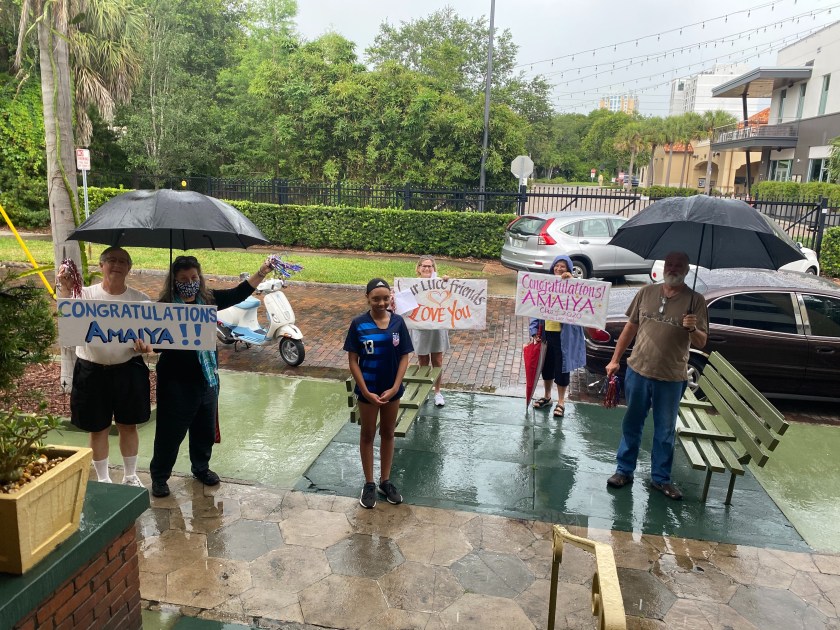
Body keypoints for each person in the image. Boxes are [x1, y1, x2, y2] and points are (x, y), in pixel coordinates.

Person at [149, 254, 272, 498]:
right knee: (170, 433)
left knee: (204, 429)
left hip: (206, 378)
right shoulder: (164, 306)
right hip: (175, 382)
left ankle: (201, 467)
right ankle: (160, 477)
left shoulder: (207, 299)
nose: (190, 282)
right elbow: (157, 344)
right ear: (174, 281)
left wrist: (261, 272)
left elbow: (238, 293)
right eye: (184, 279)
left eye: (194, 277)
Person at [605, 251, 708, 501]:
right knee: (632, 423)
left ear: (686, 270)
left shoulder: (696, 301)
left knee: (665, 430)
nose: (673, 268)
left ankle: (661, 479)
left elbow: (702, 342)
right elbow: (631, 327)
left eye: (679, 265)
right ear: (664, 267)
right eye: (669, 264)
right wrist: (615, 359)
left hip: (671, 378)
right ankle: (624, 470)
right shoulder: (646, 292)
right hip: (638, 370)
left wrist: (692, 328)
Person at [56, 246, 153, 487]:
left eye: (122, 261)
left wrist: (147, 347)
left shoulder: (141, 300)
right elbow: (68, 325)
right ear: (101, 266)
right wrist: (65, 288)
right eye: (111, 260)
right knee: (97, 428)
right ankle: (103, 479)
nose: (116, 265)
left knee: (128, 425)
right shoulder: (84, 296)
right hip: (91, 371)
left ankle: (130, 476)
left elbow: (153, 339)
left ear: (129, 268)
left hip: (128, 370)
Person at [344, 278, 413, 509]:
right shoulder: (358, 324)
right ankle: (369, 483)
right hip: (368, 391)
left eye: (385, 298)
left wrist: (395, 387)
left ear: (390, 297)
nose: (381, 303)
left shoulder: (398, 322)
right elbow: (353, 360)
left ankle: (385, 481)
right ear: (367, 298)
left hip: (392, 390)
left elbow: (404, 356)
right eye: (376, 299)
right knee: (367, 434)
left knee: (388, 433)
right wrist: (364, 390)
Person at [528, 255, 587, 418]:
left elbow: (581, 300)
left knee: (562, 368)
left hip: (563, 336)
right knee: (546, 367)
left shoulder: (573, 285)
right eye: (557, 265)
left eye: (563, 266)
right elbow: (535, 308)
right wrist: (534, 331)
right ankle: (547, 397)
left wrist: (572, 282)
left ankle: (561, 402)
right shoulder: (545, 285)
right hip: (546, 334)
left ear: (568, 269)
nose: (559, 269)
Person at [408, 256, 450, 406]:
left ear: (434, 268)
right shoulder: (412, 285)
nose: (426, 268)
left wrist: (447, 281)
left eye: (429, 266)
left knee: (437, 360)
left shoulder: (440, 282)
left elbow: (452, 295)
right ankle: (424, 390)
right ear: (418, 268)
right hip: (420, 328)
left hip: (437, 328)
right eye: (424, 266)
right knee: (423, 360)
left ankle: (437, 391)